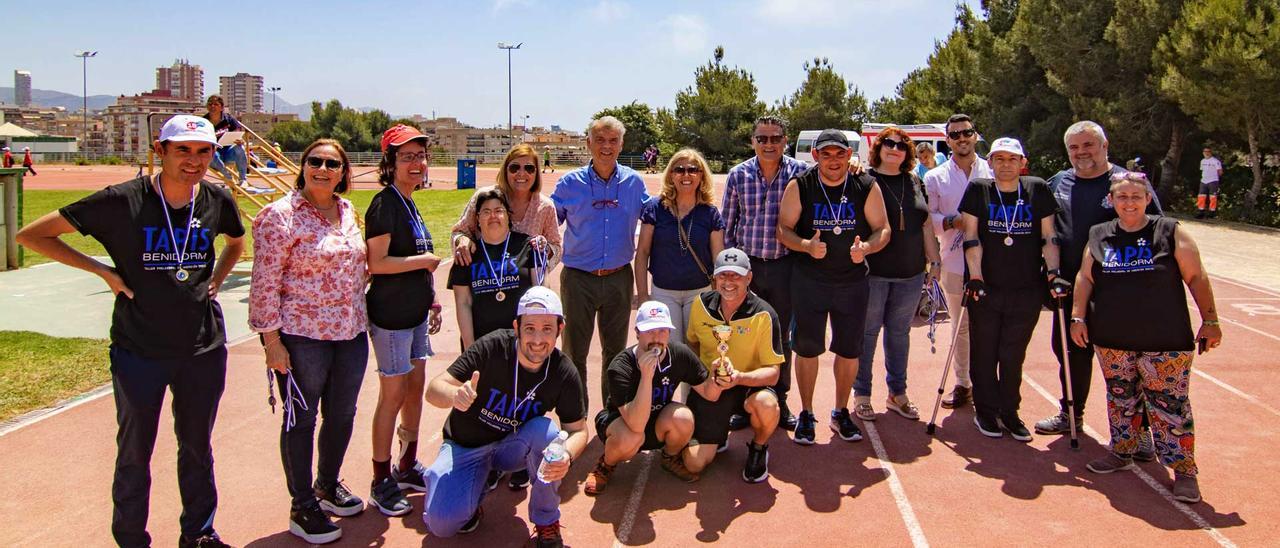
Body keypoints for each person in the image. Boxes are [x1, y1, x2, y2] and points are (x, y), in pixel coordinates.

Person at [15, 114, 244, 548]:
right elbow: (34, 235)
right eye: (183, 150)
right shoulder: (121, 201)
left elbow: (235, 242)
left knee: (197, 448)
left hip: (202, 347)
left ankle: (198, 532)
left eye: (203, 151)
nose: (194, 161)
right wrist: (102, 271)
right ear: (159, 151)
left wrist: (217, 276)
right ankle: (131, 539)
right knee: (135, 454)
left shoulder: (216, 199)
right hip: (140, 350)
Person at [1070, 171, 1221, 503]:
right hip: (1113, 338)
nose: (1129, 203)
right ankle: (1122, 451)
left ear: (1148, 199)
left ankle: (1184, 472)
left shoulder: (1169, 232)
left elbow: (1196, 277)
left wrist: (1210, 320)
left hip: (1164, 341)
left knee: (1170, 408)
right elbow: (1085, 278)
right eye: (1121, 197)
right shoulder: (1099, 234)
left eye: (1135, 196)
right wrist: (1078, 317)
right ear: (1111, 201)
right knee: (1120, 400)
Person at [249, 139, 368, 543]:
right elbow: (264, 284)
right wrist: (271, 342)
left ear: (343, 172)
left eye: (332, 163)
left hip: (350, 333)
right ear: (302, 167)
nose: (323, 168)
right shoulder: (278, 216)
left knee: (343, 414)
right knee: (301, 418)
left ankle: (327, 485)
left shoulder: (347, 210)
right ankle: (302, 506)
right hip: (303, 337)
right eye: (314, 161)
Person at [421, 287, 586, 547]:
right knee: (441, 524)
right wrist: (455, 396)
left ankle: (546, 521)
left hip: (513, 448)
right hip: (466, 446)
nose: (538, 339)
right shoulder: (492, 346)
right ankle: (474, 491)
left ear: (559, 328)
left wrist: (566, 455)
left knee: (549, 436)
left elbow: (578, 430)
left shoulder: (563, 371)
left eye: (547, 328)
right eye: (530, 328)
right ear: (516, 326)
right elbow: (433, 390)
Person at [1037, 121, 1162, 453]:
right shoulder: (1057, 183)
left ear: (1105, 145)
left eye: (1088, 145)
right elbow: (1045, 231)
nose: (1082, 153)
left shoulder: (1128, 183)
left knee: (1130, 362)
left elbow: (1156, 232)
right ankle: (1071, 413)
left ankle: (1141, 430)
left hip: (1119, 293)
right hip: (1068, 290)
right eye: (1074, 148)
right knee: (1069, 355)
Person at [778, 129, 890, 445]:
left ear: (848, 155)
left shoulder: (865, 184)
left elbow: (883, 229)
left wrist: (866, 248)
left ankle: (841, 411)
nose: (833, 160)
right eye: (826, 154)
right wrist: (804, 245)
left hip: (852, 282)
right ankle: (807, 412)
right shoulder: (800, 186)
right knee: (807, 348)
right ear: (815, 156)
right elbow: (783, 230)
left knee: (849, 349)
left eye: (840, 154)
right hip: (810, 281)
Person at [959, 137, 1064, 441]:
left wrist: (1054, 274)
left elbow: (1049, 235)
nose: (1006, 165)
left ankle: (1010, 411)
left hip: (1026, 287)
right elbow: (971, 235)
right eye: (999, 159)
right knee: (985, 351)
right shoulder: (979, 189)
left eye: (1012, 159)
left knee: (1013, 353)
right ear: (990, 163)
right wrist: (975, 276)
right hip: (986, 287)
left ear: (1022, 163)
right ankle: (986, 412)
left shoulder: (1037, 189)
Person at [364, 124, 445, 516]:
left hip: (413, 315)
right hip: (391, 317)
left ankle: (407, 463)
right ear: (390, 162)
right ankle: (381, 479)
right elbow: (376, 262)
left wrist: (429, 298)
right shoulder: (384, 203)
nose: (416, 163)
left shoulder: (409, 202)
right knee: (392, 396)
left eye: (420, 156)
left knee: (414, 391)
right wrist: (423, 263)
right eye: (407, 157)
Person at [551, 115, 651, 411]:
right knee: (573, 351)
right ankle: (575, 413)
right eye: (600, 140)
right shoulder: (570, 183)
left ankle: (612, 411)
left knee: (616, 352)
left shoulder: (634, 183)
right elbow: (547, 220)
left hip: (619, 278)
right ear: (588, 143)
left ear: (621, 144)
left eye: (613, 141)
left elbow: (655, 218)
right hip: (578, 279)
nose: (606, 147)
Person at [721, 115, 810, 431]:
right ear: (752, 142)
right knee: (745, 337)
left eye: (775, 138)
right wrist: (730, 273)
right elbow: (728, 226)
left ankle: (780, 399)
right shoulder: (738, 175)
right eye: (762, 138)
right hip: (750, 270)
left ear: (786, 140)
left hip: (787, 267)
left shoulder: (802, 174)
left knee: (782, 338)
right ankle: (744, 403)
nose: (769, 144)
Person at [855, 128, 942, 422]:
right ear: (878, 148)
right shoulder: (864, 180)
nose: (894, 149)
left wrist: (935, 260)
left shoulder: (915, 181)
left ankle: (897, 393)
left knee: (899, 335)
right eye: (888, 143)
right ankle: (862, 394)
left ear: (908, 152)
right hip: (873, 274)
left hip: (911, 273)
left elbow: (926, 224)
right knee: (866, 335)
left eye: (901, 145)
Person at [584, 301, 715, 495]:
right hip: (623, 423)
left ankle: (669, 457)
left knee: (683, 418)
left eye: (662, 331)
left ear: (669, 333)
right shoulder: (620, 366)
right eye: (650, 331)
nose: (657, 338)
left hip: (657, 421)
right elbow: (636, 424)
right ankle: (606, 464)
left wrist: (719, 377)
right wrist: (646, 376)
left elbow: (708, 393)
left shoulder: (679, 354)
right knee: (631, 437)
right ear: (637, 332)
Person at [682, 249, 784, 482]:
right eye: (723, 275)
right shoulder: (700, 304)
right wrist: (707, 377)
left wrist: (737, 377)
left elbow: (773, 373)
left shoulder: (764, 314)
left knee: (767, 404)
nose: (728, 282)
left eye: (736, 276)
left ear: (749, 278)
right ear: (715, 278)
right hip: (714, 388)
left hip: (748, 385)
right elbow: (692, 342)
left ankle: (759, 448)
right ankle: (718, 435)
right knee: (693, 463)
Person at [924, 114, 993, 410]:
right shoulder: (934, 177)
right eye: (955, 135)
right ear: (947, 139)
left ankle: (988, 384)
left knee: (989, 326)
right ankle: (963, 383)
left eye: (967, 133)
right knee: (960, 326)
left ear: (975, 135)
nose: (962, 138)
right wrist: (953, 221)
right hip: (953, 262)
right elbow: (929, 220)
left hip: (993, 262)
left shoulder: (994, 170)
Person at [634, 148, 725, 341]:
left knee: (696, 352)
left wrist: (718, 297)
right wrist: (642, 295)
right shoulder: (654, 208)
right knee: (670, 349)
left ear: (701, 176)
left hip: (700, 292)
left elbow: (718, 258)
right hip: (664, 292)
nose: (686, 175)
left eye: (693, 169)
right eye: (679, 170)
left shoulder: (710, 213)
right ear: (671, 175)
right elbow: (642, 252)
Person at [449, 187, 539, 349]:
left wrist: (534, 339)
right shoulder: (466, 254)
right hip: (482, 344)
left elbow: (540, 293)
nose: (493, 216)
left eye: (499, 210)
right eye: (486, 212)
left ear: (508, 215)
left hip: (522, 343)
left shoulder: (527, 246)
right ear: (477, 219)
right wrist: (470, 349)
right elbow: (463, 303)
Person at [452, 143, 562, 273]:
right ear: (505, 170)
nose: (521, 173)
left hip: (525, 285)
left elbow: (556, 247)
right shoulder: (484, 197)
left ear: (536, 173)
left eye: (529, 168)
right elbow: (459, 231)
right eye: (514, 168)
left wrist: (545, 248)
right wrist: (462, 240)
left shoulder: (546, 207)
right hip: (484, 280)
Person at [202, 95, 249, 189]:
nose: (212, 106)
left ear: (222, 107)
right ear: (207, 106)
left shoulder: (229, 119)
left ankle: (243, 179)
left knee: (239, 148)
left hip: (228, 152)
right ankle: (228, 177)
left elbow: (237, 133)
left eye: (216, 104)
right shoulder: (203, 122)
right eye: (210, 104)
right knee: (210, 153)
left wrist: (240, 140)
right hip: (213, 155)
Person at [1196, 147, 1224, 219]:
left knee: (1213, 197)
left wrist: (1217, 180)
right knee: (1201, 196)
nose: (1206, 153)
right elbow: (1202, 170)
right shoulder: (1202, 161)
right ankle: (1200, 212)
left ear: (1211, 152)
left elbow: (1220, 172)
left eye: (1208, 151)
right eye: (1205, 151)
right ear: (1203, 153)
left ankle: (1211, 213)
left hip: (1213, 181)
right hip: (1203, 181)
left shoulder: (1215, 161)